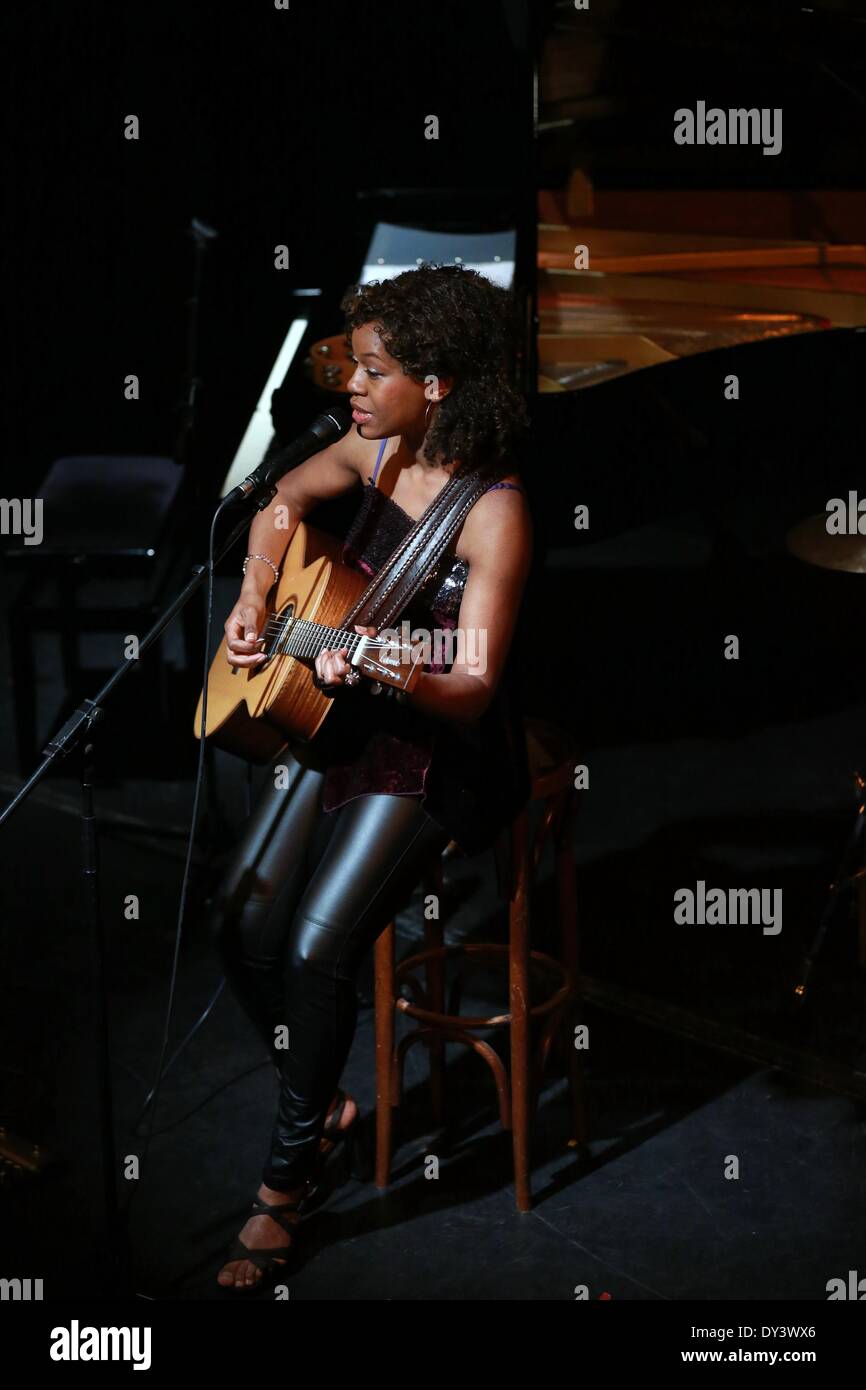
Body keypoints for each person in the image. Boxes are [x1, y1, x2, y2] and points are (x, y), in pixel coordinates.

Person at [211, 264, 533, 1290]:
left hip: (442, 749)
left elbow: (475, 683)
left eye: (372, 368)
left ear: (433, 384)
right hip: (350, 720)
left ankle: (285, 1185)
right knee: (239, 919)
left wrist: (393, 667)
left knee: (313, 943)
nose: (350, 384)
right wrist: (260, 590)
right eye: (355, 363)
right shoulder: (375, 448)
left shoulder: (494, 512)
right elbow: (278, 499)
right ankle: (330, 1108)